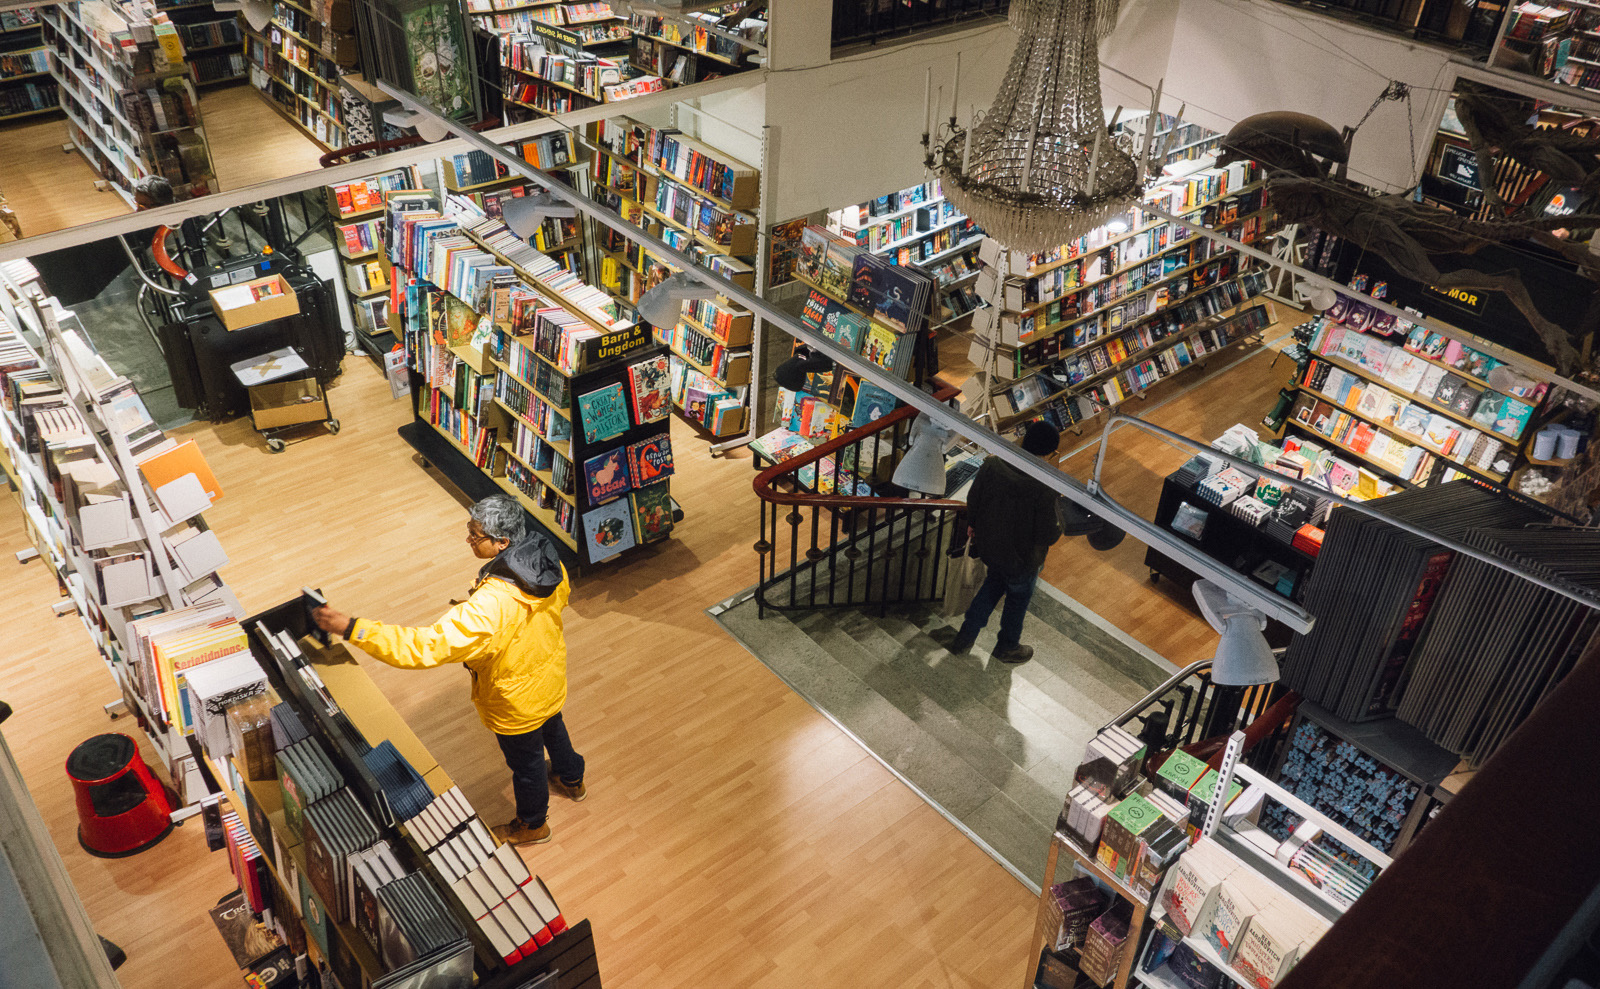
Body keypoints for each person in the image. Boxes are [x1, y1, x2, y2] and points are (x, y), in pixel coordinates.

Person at [312, 494, 586, 846]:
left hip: (514, 697)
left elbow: (422, 647)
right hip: (547, 674)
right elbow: (555, 605)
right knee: (552, 724)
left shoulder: (489, 607)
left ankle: (534, 825)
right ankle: (572, 778)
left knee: (527, 763)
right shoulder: (549, 560)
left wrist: (353, 627)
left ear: (503, 542)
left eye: (475, 535)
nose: (469, 540)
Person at [947, 421, 1065, 663]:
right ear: (1048, 451)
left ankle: (966, 636)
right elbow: (1047, 534)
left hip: (991, 546)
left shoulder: (993, 464)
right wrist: (1062, 521)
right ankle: (1008, 646)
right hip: (1023, 558)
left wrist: (975, 524)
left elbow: (974, 498)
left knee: (991, 586)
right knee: (1017, 600)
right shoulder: (1044, 486)